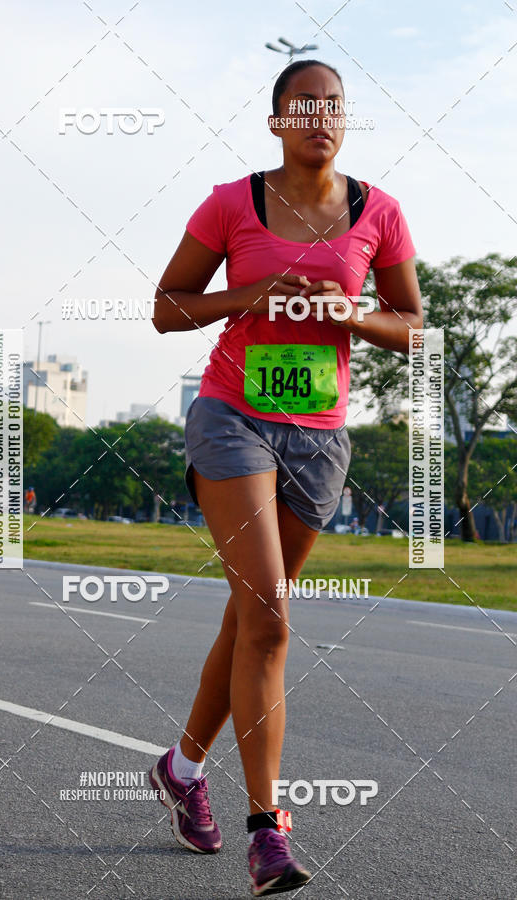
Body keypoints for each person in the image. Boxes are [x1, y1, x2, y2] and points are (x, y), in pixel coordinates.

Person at [149, 59, 422, 896]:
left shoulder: (381, 212)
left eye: (333, 106)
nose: (319, 118)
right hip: (232, 419)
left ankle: (181, 769)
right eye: (302, 106)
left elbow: (414, 327)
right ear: (275, 122)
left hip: (319, 441)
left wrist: (353, 315)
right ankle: (268, 832)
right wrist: (252, 294)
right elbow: (167, 306)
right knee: (269, 617)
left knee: (250, 619)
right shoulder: (232, 203)